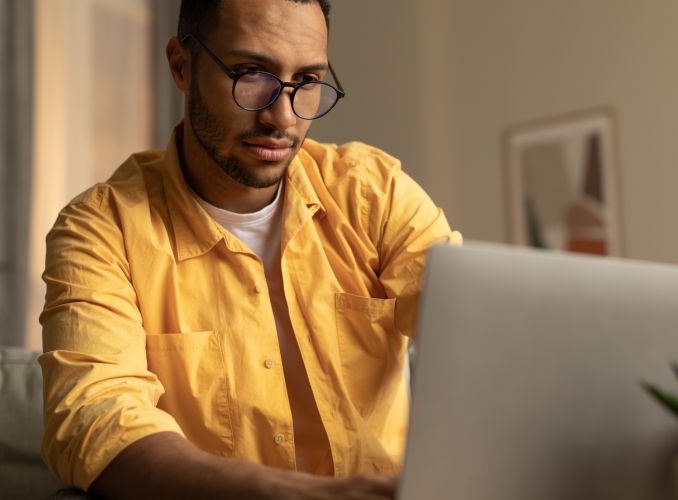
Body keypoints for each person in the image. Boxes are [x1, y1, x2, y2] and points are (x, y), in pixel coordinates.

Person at [38, 0, 460, 498]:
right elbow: (98, 424)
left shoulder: (374, 196)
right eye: (251, 73)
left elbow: (478, 339)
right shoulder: (102, 228)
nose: (282, 116)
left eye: (306, 80)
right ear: (181, 65)